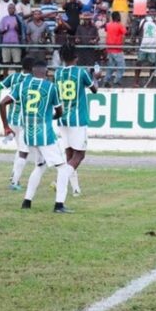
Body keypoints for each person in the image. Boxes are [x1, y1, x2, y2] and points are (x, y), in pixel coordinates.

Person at [0, 60, 74, 214]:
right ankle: (59, 204)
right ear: (46, 71)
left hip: (28, 134)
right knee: (62, 167)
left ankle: (27, 201)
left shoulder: (22, 86)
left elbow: (2, 103)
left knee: (40, 166)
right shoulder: (50, 87)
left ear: (33, 71)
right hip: (45, 134)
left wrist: (6, 126)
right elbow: (59, 111)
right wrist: (53, 117)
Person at [0, 57, 35, 189]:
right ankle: (14, 182)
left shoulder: (13, 78)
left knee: (21, 150)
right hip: (25, 121)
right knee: (24, 152)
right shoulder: (33, 80)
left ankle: (14, 177)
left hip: (12, 120)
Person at [55, 43, 99, 197]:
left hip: (62, 119)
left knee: (69, 154)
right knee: (79, 155)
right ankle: (61, 179)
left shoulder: (57, 74)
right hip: (77, 119)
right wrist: (96, 77)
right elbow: (94, 90)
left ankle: (75, 189)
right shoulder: (81, 73)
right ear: (76, 57)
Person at [134, 9, 156, 87]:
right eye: (150, 12)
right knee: (138, 63)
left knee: (152, 65)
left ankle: (150, 82)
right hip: (144, 46)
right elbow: (139, 32)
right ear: (148, 13)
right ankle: (136, 82)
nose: (152, 13)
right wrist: (144, 22)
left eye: (153, 12)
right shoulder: (143, 20)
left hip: (153, 47)